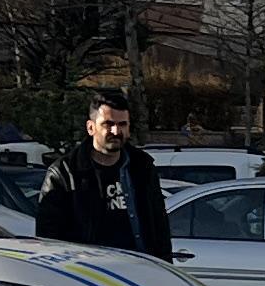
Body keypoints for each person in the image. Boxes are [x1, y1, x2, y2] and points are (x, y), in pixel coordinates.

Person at [32, 88, 173, 259]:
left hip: (141, 267)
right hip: (92, 270)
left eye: (122, 124)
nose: (116, 131)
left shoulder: (142, 167)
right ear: (91, 127)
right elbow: (49, 238)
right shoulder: (64, 173)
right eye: (108, 124)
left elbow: (160, 226)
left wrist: (164, 265)